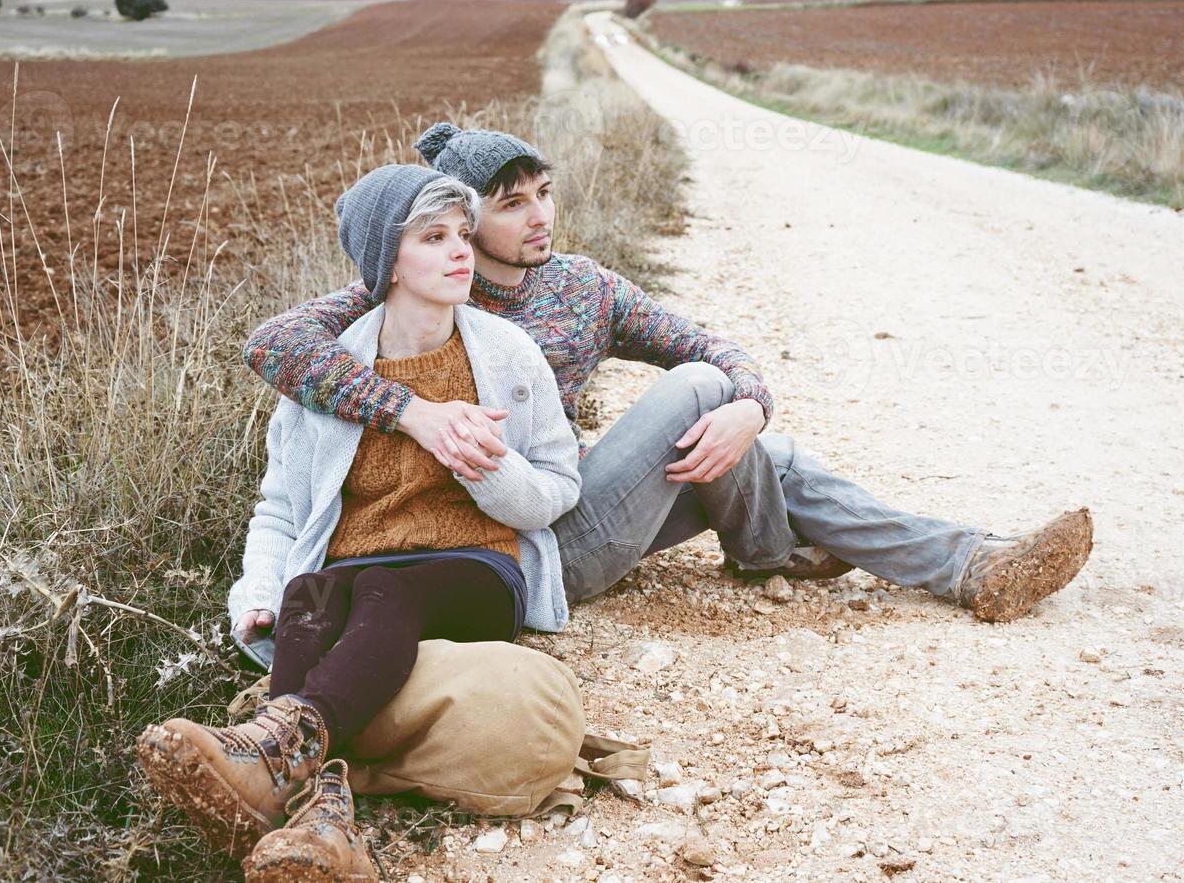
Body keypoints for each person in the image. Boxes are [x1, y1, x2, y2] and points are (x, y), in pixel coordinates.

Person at [241, 123, 1094, 631]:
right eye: (510, 203)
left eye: (543, 190)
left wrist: (750, 410)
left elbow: (722, 352)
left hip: (571, 501)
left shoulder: (585, 288)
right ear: (454, 218)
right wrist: (413, 412)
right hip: (515, 549)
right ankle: (771, 550)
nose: (539, 215)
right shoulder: (405, 287)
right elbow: (275, 344)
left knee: (747, 428)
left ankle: (977, 568)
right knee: (700, 399)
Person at [137, 165, 580, 881]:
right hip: (349, 571)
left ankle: (273, 751)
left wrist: (488, 466)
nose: (462, 252)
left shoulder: (507, 356)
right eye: (434, 237)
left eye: (463, 234)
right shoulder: (328, 373)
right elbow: (280, 507)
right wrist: (259, 592)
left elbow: (559, 487)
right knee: (309, 596)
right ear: (388, 263)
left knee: (382, 594)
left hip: (472, 566)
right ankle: (318, 816)